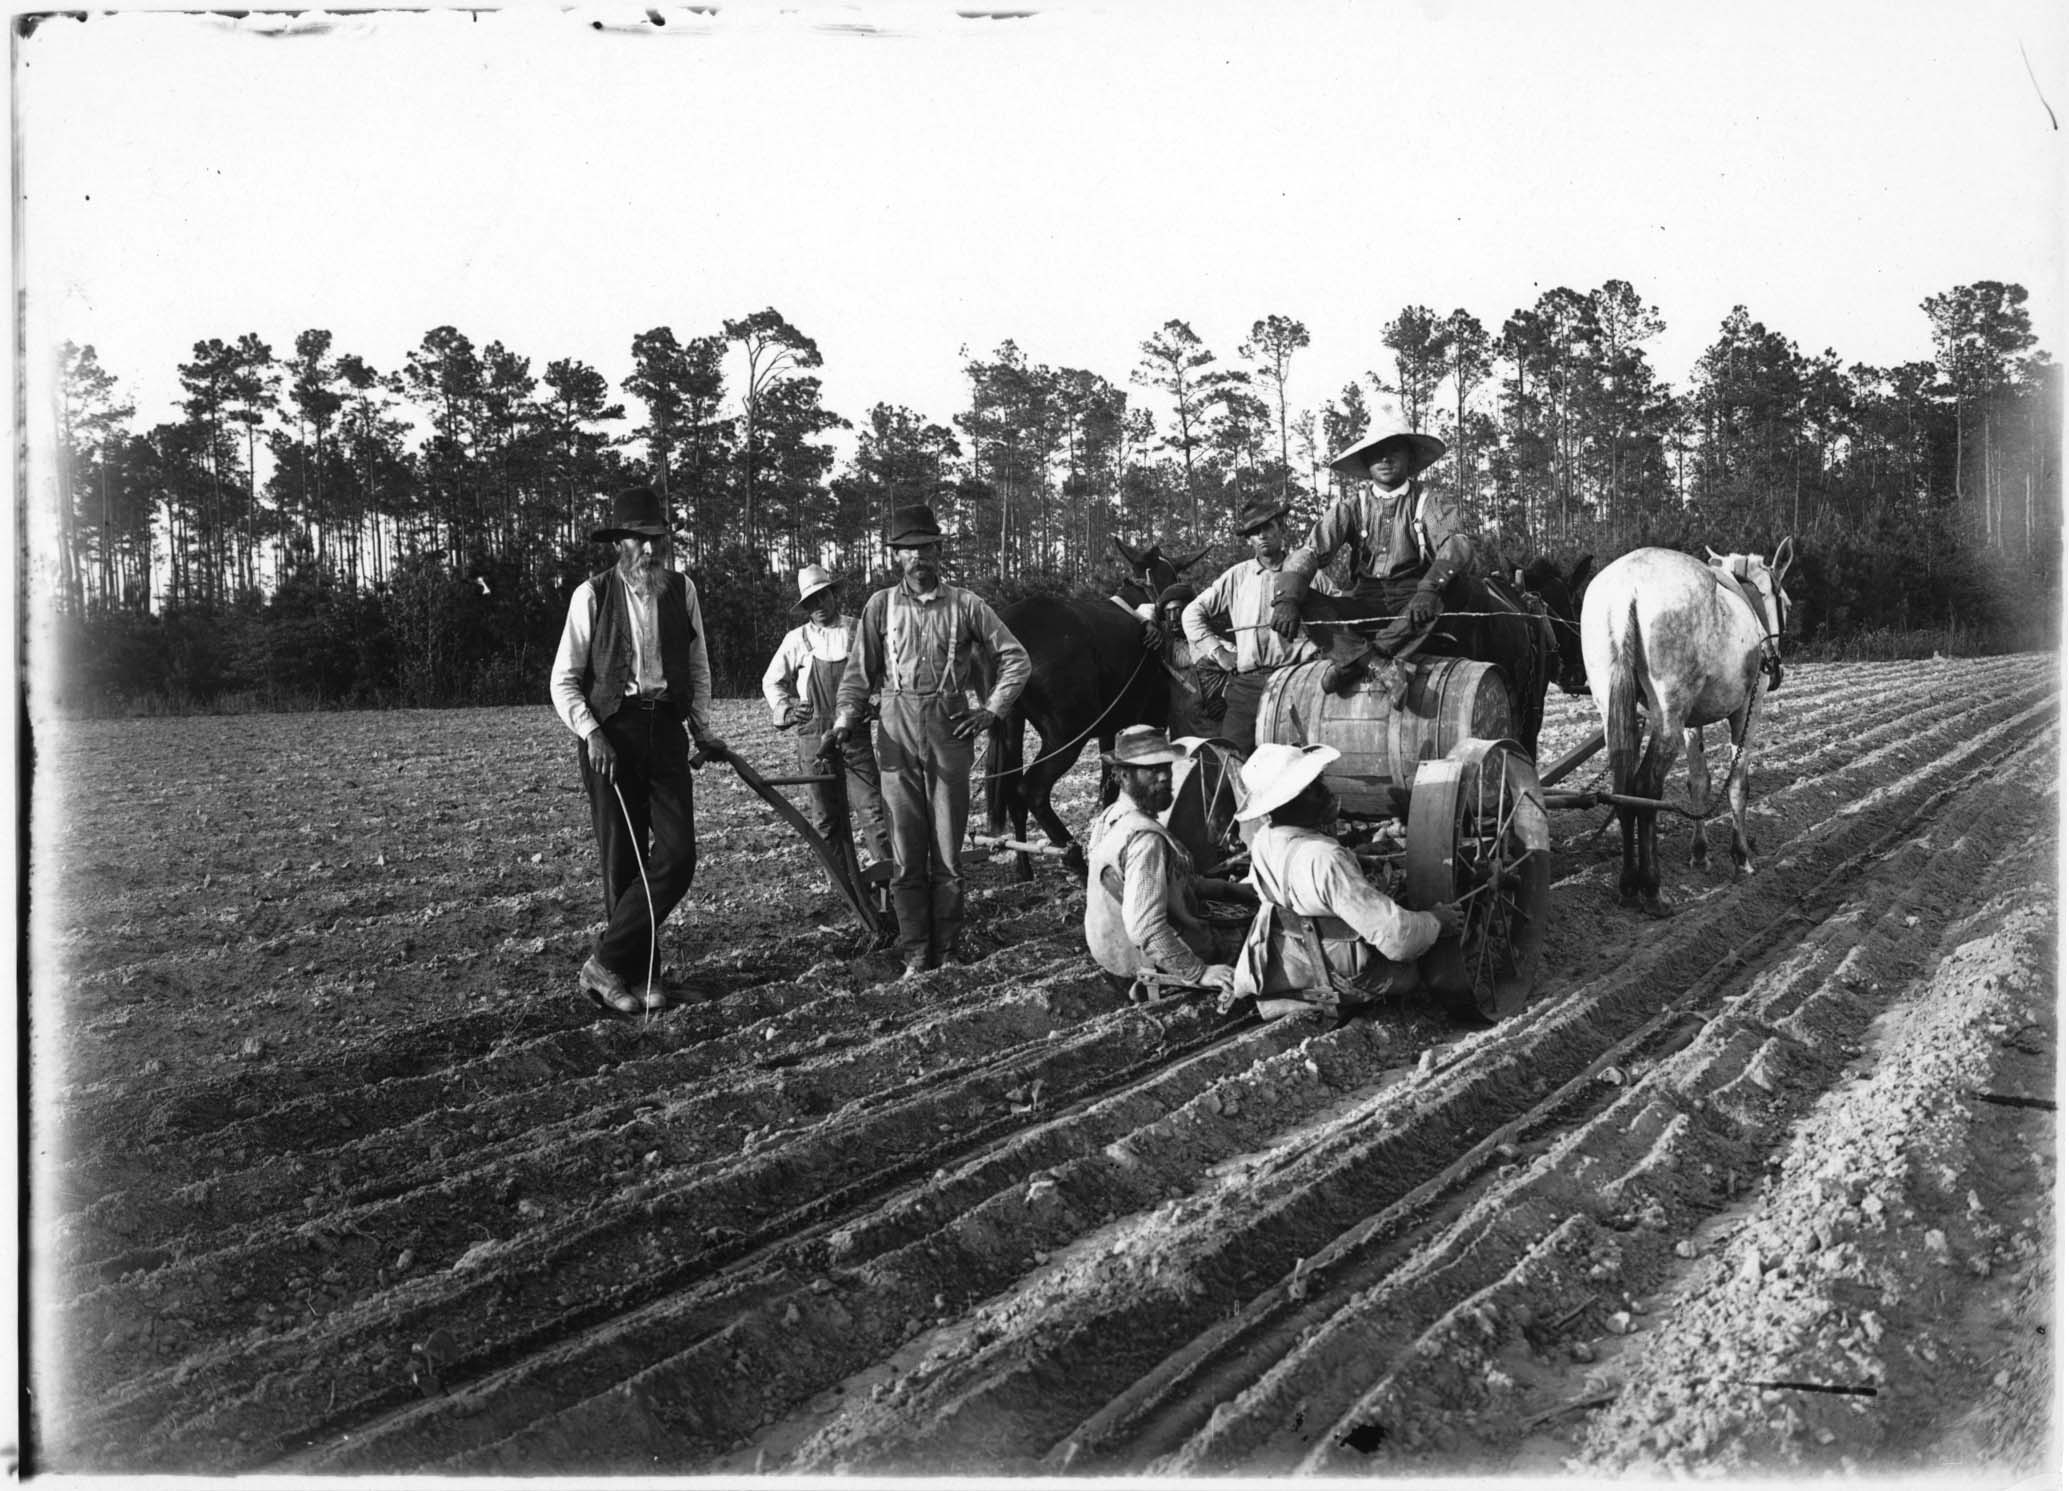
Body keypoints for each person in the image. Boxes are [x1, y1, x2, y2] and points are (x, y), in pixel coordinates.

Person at [549, 485, 732, 1016]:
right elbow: (564, 680)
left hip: (667, 730)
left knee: (677, 855)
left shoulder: (682, 591)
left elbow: (697, 669)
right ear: (619, 545)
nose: (649, 551)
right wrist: (592, 732)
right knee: (621, 862)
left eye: (656, 540)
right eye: (638, 541)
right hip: (613, 734)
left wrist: (701, 729)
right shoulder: (593, 595)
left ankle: (604, 962)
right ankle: (639, 974)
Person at [832, 504, 1031, 977]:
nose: (917, 557)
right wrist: (844, 720)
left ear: (939, 551)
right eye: (907, 550)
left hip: (949, 730)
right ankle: (916, 951)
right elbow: (859, 675)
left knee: (947, 851)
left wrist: (991, 711)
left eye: (925, 548)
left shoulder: (967, 604)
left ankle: (947, 948)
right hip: (895, 728)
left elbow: (1016, 659)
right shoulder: (880, 606)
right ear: (895, 557)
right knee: (904, 849)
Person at [1230, 742, 1463, 1015]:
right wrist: (1435, 920)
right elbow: (1399, 939)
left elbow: (1299, 878)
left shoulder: (1263, 841)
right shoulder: (1325, 858)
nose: (1327, 793)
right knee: (1418, 962)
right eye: (1314, 790)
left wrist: (1357, 856)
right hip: (1343, 970)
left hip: (1290, 960)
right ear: (1289, 801)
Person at [1270, 406, 1477, 644]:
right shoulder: (1351, 507)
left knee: (1457, 587)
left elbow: (1456, 543)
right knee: (1302, 597)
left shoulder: (1429, 502)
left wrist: (1429, 588)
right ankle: (1371, 657)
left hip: (1415, 601)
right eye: (1377, 452)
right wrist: (1287, 598)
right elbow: (1311, 550)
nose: (1385, 459)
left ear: (1409, 457)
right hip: (1364, 603)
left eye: (1394, 451)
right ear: (1366, 460)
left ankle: (1366, 657)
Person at [1083, 727, 1256, 998]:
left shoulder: (1110, 817)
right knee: (1266, 931)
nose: (1165, 776)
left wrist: (1232, 890)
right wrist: (1198, 972)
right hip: (1147, 956)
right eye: (1151, 770)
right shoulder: (1145, 841)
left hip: (1113, 949)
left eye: (1165, 766)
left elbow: (1174, 882)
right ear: (1124, 775)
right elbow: (1145, 927)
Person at [760, 564, 895, 879]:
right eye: (810, 602)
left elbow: (888, 671)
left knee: (873, 811)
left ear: (834, 594)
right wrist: (786, 710)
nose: (818, 606)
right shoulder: (797, 639)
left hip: (855, 737)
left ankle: (888, 884)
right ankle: (845, 887)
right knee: (825, 819)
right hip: (814, 740)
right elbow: (771, 681)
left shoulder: (859, 630)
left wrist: (876, 704)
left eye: (822, 597)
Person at [1181, 494, 1328, 750]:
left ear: (1281, 529)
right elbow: (1191, 613)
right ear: (1248, 539)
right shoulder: (1238, 577)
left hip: (1298, 680)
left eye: (1267, 528)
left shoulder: (1310, 575)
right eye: (1254, 532)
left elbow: (1341, 615)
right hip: (1248, 685)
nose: (1261, 536)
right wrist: (1218, 652)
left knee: (1300, 761)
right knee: (1232, 757)